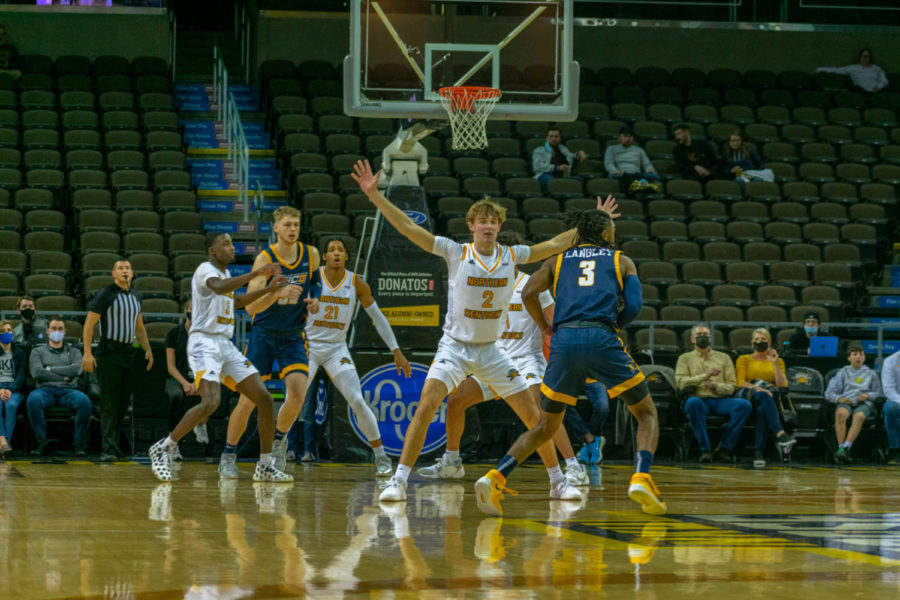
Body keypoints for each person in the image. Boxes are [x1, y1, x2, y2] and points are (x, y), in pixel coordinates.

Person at [352, 158, 599, 505]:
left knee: (534, 416)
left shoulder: (512, 256)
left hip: (491, 351)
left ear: (499, 227)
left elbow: (555, 244)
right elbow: (409, 227)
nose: (488, 226)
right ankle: (398, 480)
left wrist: (589, 226)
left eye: (493, 221)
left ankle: (559, 482)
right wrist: (375, 195)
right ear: (471, 225)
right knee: (427, 405)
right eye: (482, 221)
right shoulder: (455, 252)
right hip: (454, 347)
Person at [473, 208, 667, 517]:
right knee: (645, 413)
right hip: (602, 337)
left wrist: (544, 326)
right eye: (612, 229)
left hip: (564, 343)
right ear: (605, 233)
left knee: (544, 426)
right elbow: (635, 305)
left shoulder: (557, 261)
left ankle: (495, 477)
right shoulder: (622, 260)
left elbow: (528, 293)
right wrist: (615, 324)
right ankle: (642, 476)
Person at [416, 230, 589, 487]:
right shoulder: (481, 279)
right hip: (495, 358)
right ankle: (452, 461)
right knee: (455, 401)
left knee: (540, 409)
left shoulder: (531, 285)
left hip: (527, 359)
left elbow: (555, 324)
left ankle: (573, 465)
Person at [147, 232, 297, 483]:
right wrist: (256, 274)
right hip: (204, 343)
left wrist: (268, 290)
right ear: (212, 250)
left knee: (265, 399)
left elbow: (235, 300)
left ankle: (265, 465)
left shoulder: (227, 275)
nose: (231, 247)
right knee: (210, 402)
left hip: (224, 344)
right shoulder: (206, 270)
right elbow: (219, 288)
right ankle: (164, 447)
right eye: (225, 244)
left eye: (232, 243)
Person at [284, 237, 411, 477]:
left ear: (346, 257)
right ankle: (278, 449)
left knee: (357, 400)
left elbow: (378, 318)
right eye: (331, 250)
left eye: (340, 250)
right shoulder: (311, 277)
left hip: (336, 348)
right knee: (295, 398)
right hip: (308, 345)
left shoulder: (357, 283)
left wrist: (396, 350)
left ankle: (381, 456)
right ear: (324, 256)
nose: (336, 253)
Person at [217, 206, 319, 477]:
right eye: (287, 224)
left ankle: (277, 443)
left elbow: (316, 282)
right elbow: (250, 308)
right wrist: (277, 292)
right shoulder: (266, 259)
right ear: (276, 228)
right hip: (263, 334)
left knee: (297, 394)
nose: (292, 229)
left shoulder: (311, 254)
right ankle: (228, 454)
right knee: (248, 401)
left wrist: (315, 299)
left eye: (296, 224)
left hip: (293, 335)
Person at [82, 260, 152, 462]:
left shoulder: (137, 296)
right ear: (113, 274)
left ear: (132, 272)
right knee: (110, 403)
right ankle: (107, 449)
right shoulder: (106, 294)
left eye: (128, 268)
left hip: (129, 352)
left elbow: (139, 327)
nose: (124, 271)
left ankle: (115, 445)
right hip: (109, 352)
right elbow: (89, 323)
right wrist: (88, 352)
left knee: (122, 403)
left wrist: (147, 349)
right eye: (120, 268)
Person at [675, 324, 752, 463]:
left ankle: (724, 448)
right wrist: (706, 376)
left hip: (720, 400)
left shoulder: (724, 358)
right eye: (699, 336)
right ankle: (706, 449)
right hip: (699, 399)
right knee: (692, 403)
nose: (703, 338)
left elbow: (732, 386)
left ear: (710, 338)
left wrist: (716, 386)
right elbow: (682, 383)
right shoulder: (684, 358)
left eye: (705, 335)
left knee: (744, 405)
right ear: (692, 339)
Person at [26, 318, 92, 457]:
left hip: (69, 390)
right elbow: (37, 373)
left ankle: (79, 443)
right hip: (44, 390)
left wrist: (50, 369)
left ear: (65, 331)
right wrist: (63, 375)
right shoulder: (37, 352)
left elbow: (76, 371)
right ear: (47, 331)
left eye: (60, 329)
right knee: (33, 400)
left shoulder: (75, 351)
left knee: (84, 401)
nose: (57, 332)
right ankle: (41, 442)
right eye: (54, 328)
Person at [735, 327, 797, 468]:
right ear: (752, 343)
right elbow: (740, 382)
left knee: (762, 410)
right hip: (748, 393)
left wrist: (774, 362)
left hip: (769, 397)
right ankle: (780, 433)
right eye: (756, 339)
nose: (759, 342)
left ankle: (758, 453)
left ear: (769, 342)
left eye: (763, 339)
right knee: (763, 395)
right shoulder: (744, 359)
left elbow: (782, 385)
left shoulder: (778, 361)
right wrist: (759, 389)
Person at [164, 298, 209, 461]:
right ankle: (173, 444)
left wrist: (196, 382)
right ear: (185, 312)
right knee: (175, 396)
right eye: (191, 308)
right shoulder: (174, 334)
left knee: (210, 391)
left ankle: (202, 425)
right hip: (177, 378)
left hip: (198, 377)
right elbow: (171, 366)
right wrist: (184, 383)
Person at [825, 342, 882, 465]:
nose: (858, 357)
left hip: (863, 403)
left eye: (861, 354)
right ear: (849, 358)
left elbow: (879, 393)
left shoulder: (871, 374)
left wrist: (868, 395)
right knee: (841, 413)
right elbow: (829, 393)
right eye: (855, 354)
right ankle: (840, 448)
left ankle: (846, 448)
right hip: (847, 401)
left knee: (859, 416)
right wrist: (840, 399)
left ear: (864, 357)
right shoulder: (842, 373)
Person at [603, 126, 661, 193]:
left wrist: (650, 169)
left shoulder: (639, 150)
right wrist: (614, 170)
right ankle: (644, 187)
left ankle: (635, 186)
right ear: (619, 137)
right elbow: (608, 163)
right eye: (625, 136)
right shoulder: (611, 149)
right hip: (621, 174)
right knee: (614, 176)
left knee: (655, 175)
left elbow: (647, 164)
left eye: (630, 136)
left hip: (637, 174)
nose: (628, 138)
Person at [531, 127, 586, 192]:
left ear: (560, 138)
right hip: (546, 174)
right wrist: (557, 168)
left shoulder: (563, 148)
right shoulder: (539, 150)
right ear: (546, 138)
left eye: (556, 136)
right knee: (550, 180)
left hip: (562, 175)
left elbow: (571, 156)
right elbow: (537, 166)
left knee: (578, 179)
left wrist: (578, 153)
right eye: (551, 136)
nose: (553, 139)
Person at [0, 320, 25, 456]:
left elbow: (21, 376)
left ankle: (4, 444)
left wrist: (10, 389)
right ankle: (3, 442)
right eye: (3, 331)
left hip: (14, 390)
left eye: (9, 330)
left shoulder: (19, 353)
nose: (7, 333)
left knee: (11, 405)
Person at [817, 48, 890, 93]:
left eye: (867, 56)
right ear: (860, 57)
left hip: (875, 92)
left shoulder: (876, 68)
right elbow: (837, 70)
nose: (865, 58)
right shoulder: (853, 68)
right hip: (859, 92)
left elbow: (885, 81)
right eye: (863, 56)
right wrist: (820, 69)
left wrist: (879, 87)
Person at [879, 349, 900, 465]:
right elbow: (889, 390)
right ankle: (895, 450)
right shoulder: (890, 361)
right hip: (897, 402)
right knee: (890, 409)